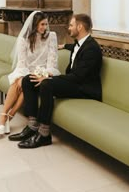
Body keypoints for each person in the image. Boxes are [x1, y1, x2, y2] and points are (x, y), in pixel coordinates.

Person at [8, 13, 102, 148]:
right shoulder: (80, 43)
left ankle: (44, 134)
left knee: (47, 84)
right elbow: (75, 50)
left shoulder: (92, 48)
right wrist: (64, 46)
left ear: (80, 27)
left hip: (85, 89)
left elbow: (79, 77)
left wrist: (49, 77)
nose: (68, 28)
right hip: (75, 83)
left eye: (71, 25)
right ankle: (32, 126)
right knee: (28, 80)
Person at [0, 10, 60, 135]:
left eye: (46, 24)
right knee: (19, 83)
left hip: (45, 74)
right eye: (42, 24)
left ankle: (6, 118)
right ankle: (4, 117)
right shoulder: (23, 39)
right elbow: (22, 63)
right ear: (34, 25)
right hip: (26, 71)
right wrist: (22, 77)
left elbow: (52, 62)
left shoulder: (51, 36)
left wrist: (43, 74)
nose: (45, 27)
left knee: (27, 84)